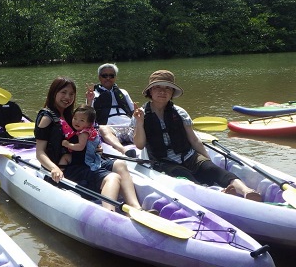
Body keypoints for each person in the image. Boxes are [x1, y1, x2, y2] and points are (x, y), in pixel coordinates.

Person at [132, 70, 262, 201]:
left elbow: (194, 140)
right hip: (164, 161)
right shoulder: (140, 114)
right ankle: (218, 193)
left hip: (188, 155)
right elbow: (140, 144)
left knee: (212, 170)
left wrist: (207, 161)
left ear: (172, 93)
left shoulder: (179, 112)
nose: (163, 91)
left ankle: (246, 191)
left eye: (167, 88)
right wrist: (139, 122)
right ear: (150, 91)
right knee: (184, 175)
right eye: (157, 87)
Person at [34, 76, 141, 211]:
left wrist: (94, 148)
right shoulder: (47, 118)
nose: (67, 97)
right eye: (63, 92)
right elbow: (40, 153)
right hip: (66, 166)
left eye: (71, 94)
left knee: (119, 164)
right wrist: (54, 168)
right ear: (54, 92)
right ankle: (109, 214)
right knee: (112, 177)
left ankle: (135, 208)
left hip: (83, 159)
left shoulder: (70, 116)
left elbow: (86, 127)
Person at [86, 63, 136, 157]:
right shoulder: (93, 94)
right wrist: (89, 101)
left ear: (115, 77)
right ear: (99, 77)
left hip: (128, 125)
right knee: (102, 128)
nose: (108, 78)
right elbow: (87, 116)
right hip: (110, 128)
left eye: (111, 75)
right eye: (104, 75)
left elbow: (133, 111)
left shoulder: (123, 92)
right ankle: (123, 150)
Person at [59, 105, 102, 172]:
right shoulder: (90, 129)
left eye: (82, 120)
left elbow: (80, 147)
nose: (77, 122)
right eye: (75, 118)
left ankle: (61, 173)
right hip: (90, 155)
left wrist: (67, 144)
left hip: (84, 159)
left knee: (65, 157)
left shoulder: (83, 133)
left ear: (89, 124)